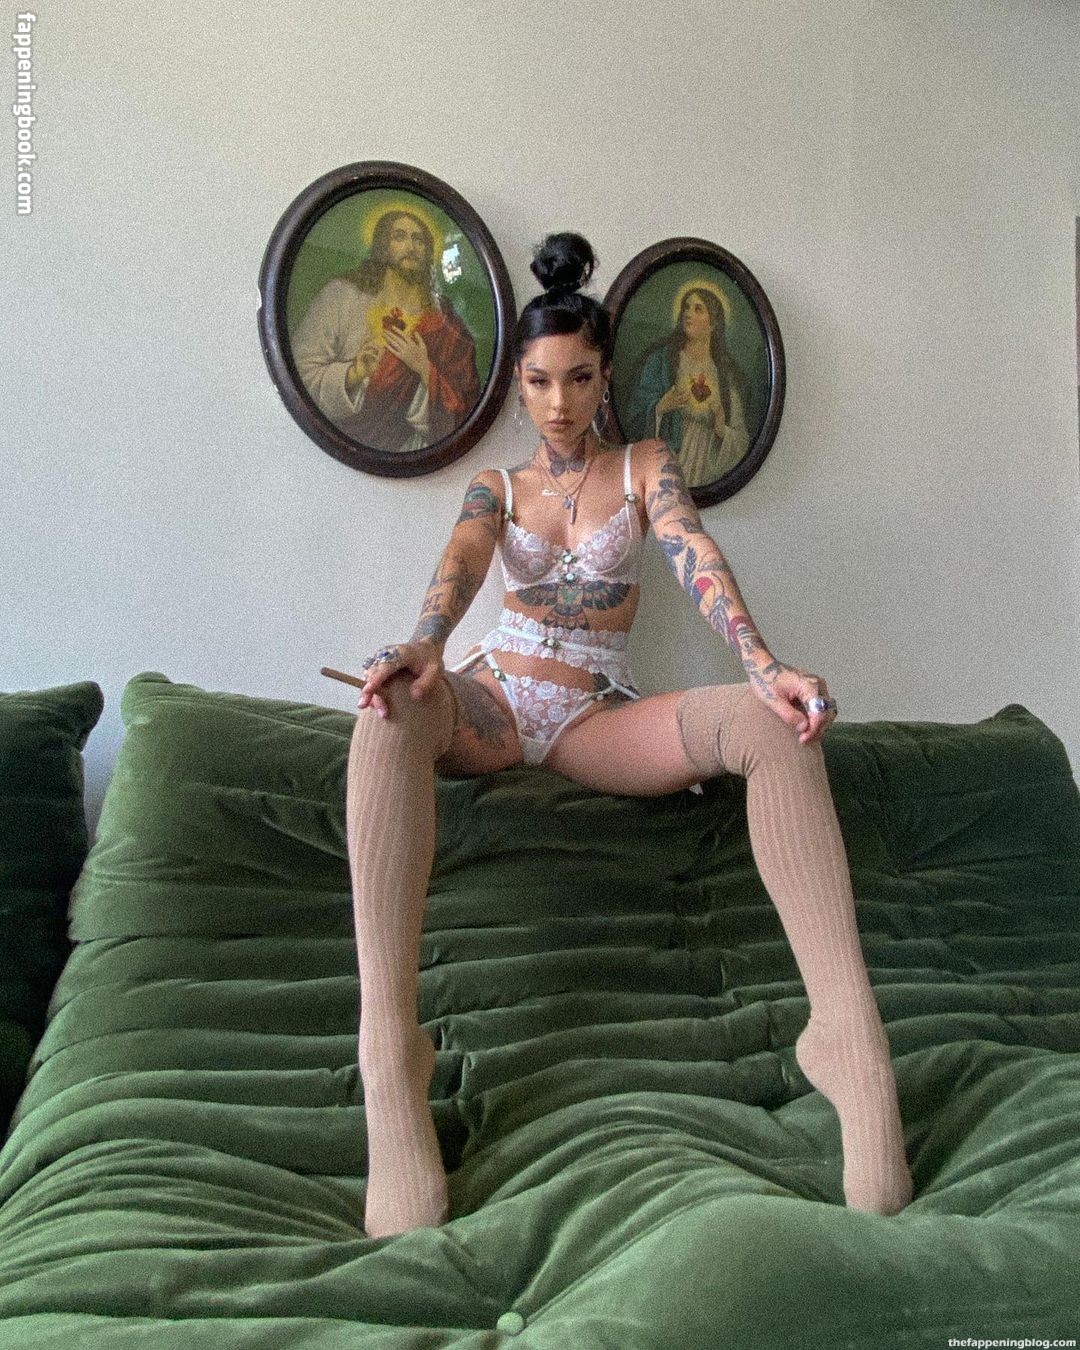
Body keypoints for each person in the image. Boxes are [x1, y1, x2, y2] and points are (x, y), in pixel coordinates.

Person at [340, 232, 914, 1240]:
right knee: (385, 710)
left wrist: (762, 663)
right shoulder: (496, 488)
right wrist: (425, 642)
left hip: (594, 714)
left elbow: (693, 550)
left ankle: (848, 1040)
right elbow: (463, 560)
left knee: (776, 728)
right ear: (518, 385)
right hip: (494, 696)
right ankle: (391, 1055)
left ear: (605, 376)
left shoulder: (648, 464)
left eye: (578, 378)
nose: (558, 402)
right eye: (538, 382)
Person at [291, 208, 481, 451]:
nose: (411, 246)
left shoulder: (445, 320)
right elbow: (300, 377)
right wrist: (354, 373)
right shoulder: (342, 297)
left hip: (412, 450)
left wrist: (424, 368)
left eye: (419, 240)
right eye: (399, 236)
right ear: (383, 244)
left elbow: (466, 404)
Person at [623, 283, 750, 485]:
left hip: (707, 473)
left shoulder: (724, 376)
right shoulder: (661, 361)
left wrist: (722, 429)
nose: (688, 314)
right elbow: (633, 417)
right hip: (667, 468)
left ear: (713, 323)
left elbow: (741, 442)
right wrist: (660, 408)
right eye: (686, 307)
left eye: (698, 309)